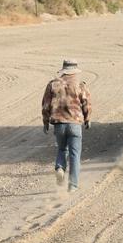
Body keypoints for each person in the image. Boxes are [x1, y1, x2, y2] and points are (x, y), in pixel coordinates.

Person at [41, 59, 91, 191]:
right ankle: (73, 185)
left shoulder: (52, 84)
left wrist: (45, 122)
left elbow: (46, 105)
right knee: (75, 154)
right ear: (75, 72)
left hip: (59, 124)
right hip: (75, 124)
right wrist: (87, 119)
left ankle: (60, 168)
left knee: (62, 149)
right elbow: (86, 103)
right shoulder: (80, 85)